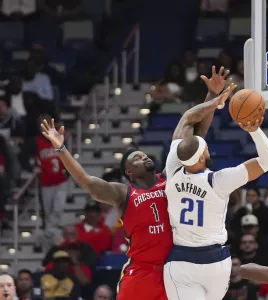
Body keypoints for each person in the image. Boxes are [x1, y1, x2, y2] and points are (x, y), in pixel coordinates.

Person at [41, 66, 232, 300]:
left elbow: (197, 140)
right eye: (136, 158)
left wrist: (212, 95)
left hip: (175, 269)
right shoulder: (124, 194)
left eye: (143, 154)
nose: (143, 156)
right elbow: (86, 181)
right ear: (129, 172)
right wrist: (61, 149)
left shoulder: (171, 177)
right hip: (140, 271)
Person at [163, 88, 268, 299]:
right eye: (206, 149)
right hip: (216, 263)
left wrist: (213, 101)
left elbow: (187, 119)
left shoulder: (172, 170)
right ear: (200, 159)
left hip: (182, 261)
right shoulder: (217, 181)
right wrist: (253, 129)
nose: (209, 150)